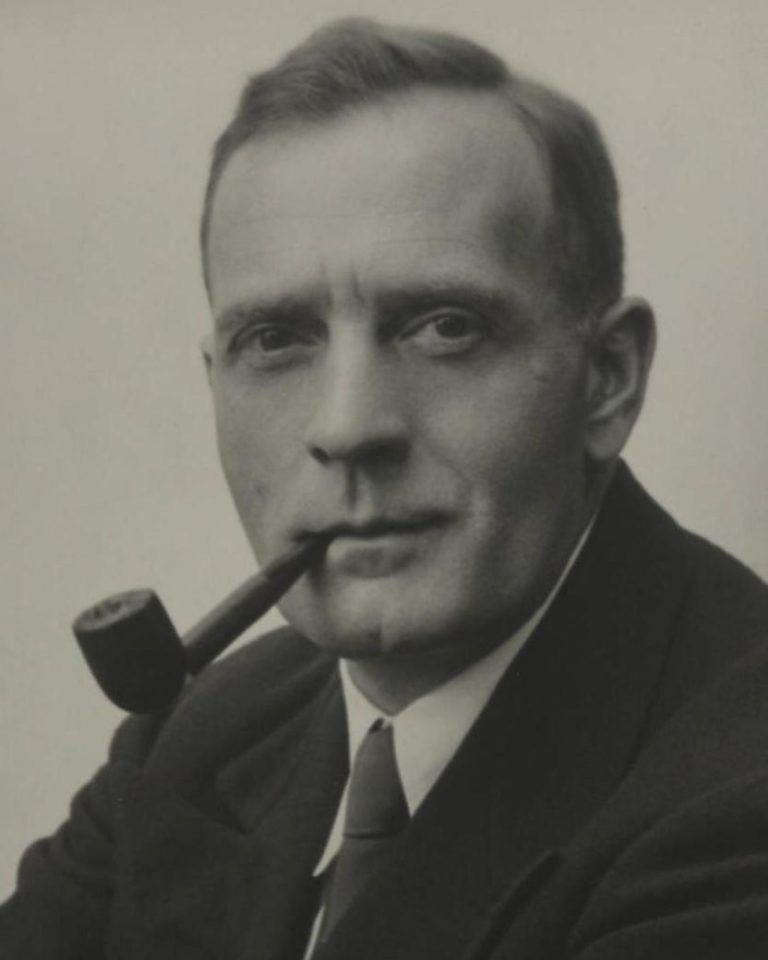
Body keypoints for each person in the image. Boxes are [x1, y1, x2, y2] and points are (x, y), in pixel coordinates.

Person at [2, 17, 768, 960]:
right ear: (215, 380)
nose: (347, 425)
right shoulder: (200, 735)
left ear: (606, 378)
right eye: (276, 341)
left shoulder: (739, 799)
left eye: (444, 326)